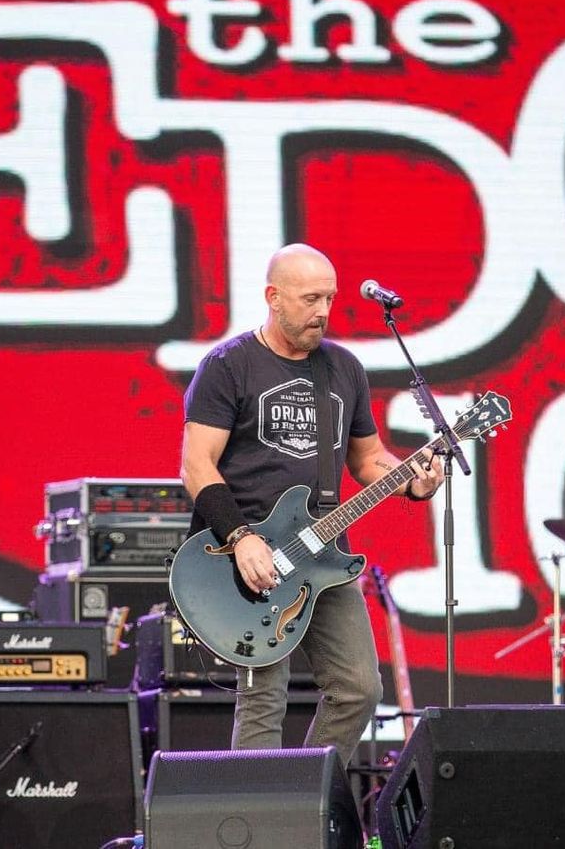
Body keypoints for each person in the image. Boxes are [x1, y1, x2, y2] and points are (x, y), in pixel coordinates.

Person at [179, 243, 443, 761]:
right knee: (264, 699)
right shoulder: (228, 366)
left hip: (323, 553)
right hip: (246, 558)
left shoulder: (343, 368)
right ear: (273, 297)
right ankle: (257, 809)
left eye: (329, 299)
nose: (322, 311)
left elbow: (369, 460)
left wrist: (414, 482)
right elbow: (196, 465)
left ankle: (307, 793)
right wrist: (241, 538)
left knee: (359, 688)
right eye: (309, 299)